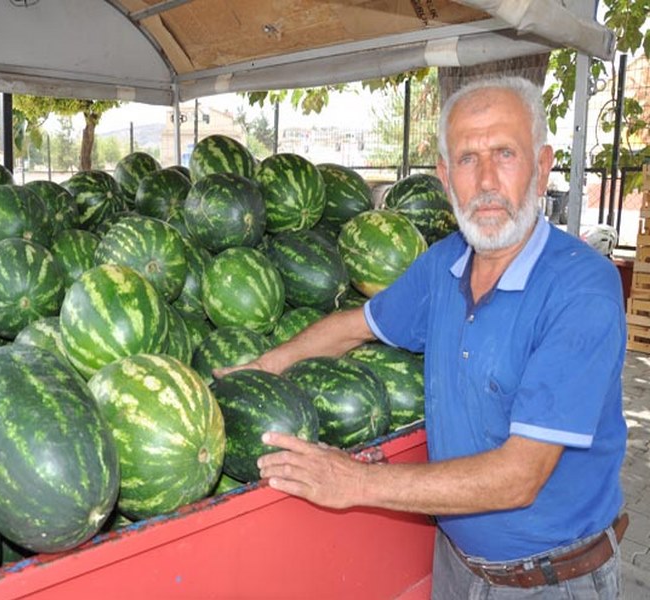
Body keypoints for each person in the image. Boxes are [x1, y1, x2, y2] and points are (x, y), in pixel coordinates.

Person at [216, 76, 628, 598]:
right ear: (444, 176)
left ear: (543, 166)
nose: (485, 181)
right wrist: (263, 368)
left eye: (505, 153)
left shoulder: (581, 287)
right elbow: (353, 327)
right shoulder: (443, 265)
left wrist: (356, 482)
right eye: (466, 159)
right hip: (457, 567)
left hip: (551, 581)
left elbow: (520, 476)